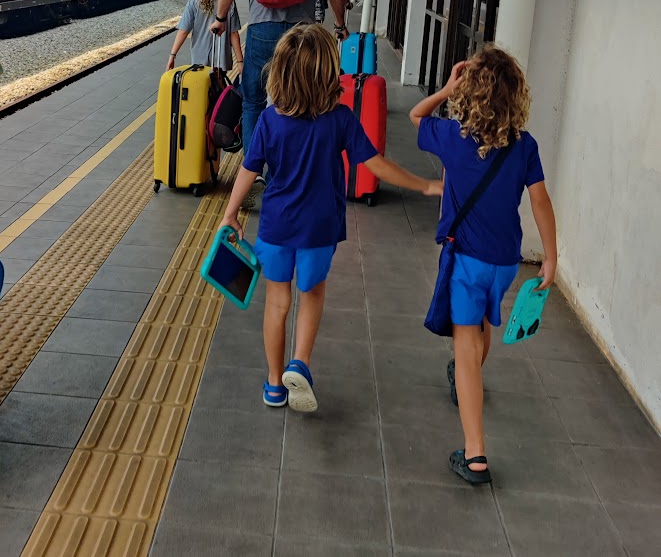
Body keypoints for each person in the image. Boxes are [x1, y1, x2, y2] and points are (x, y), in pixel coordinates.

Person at [219, 24, 442, 412]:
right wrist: (423, 186)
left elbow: (248, 170)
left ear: (281, 73)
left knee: (277, 302)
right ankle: (299, 364)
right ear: (328, 74)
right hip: (320, 230)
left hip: (275, 228)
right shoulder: (340, 119)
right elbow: (377, 165)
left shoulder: (271, 120)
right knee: (313, 294)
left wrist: (229, 212)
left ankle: (274, 383)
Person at [409, 46, 558, 485]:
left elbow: (417, 116)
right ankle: (465, 372)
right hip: (505, 263)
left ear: (469, 92)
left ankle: (475, 455)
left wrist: (444, 89)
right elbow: (540, 200)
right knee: (479, 330)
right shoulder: (524, 146)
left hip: (468, 261)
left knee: (465, 342)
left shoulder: (455, 137)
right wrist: (549, 256)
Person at [211, 0, 351, 206]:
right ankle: (285, 178)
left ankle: (253, 172)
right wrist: (341, 25)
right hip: (301, 35)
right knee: (299, 103)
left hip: (261, 29)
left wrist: (220, 19)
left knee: (253, 102)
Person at [166, 0, 243, 71]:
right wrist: (240, 61)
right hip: (221, 61)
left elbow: (183, 31)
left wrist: (172, 55)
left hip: (199, 60)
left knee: (201, 87)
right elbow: (234, 33)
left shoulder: (194, 2)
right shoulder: (228, 2)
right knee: (220, 88)